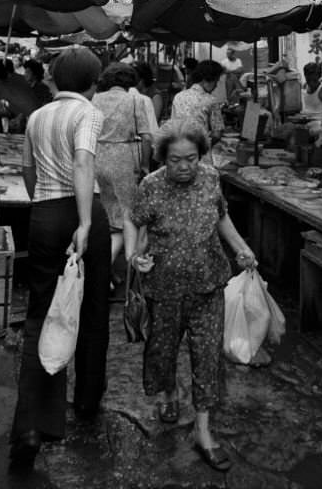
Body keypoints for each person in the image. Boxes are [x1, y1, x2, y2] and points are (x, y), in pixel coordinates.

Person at [128, 121, 256, 473]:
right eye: (175, 160)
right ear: (163, 159)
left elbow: (222, 219)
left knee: (206, 356)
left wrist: (242, 248)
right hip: (164, 288)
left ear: (201, 156)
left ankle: (203, 430)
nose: (185, 167)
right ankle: (168, 395)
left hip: (208, 284)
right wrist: (136, 256)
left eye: (192, 158)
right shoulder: (150, 186)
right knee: (163, 349)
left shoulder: (211, 178)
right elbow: (137, 227)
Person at [10, 47, 111, 469]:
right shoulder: (87, 113)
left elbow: (27, 168)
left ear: (55, 77)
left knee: (41, 315)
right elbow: (84, 162)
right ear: (92, 81)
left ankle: (32, 425)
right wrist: (85, 222)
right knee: (90, 311)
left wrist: (43, 207)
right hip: (81, 211)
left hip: (45, 215)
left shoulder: (37, 116)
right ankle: (86, 401)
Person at [92, 64, 153, 268]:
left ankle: (104, 270)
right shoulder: (134, 99)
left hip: (97, 156)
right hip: (121, 158)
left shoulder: (96, 98)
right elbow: (146, 137)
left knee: (109, 213)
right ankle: (127, 263)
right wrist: (145, 165)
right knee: (128, 214)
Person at [171, 60, 224, 151]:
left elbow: (172, 126)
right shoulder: (211, 100)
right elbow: (217, 134)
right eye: (216, 81)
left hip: (178, 150)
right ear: (207, 79)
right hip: (199, 153)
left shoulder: (178, 97)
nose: (216, 85)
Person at [301, 62, 322, 129]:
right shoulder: (304, 86)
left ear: (319, 77)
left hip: (318, 123)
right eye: (309, 80)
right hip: (305, 122)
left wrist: (321, 126)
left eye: (314, 80)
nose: (311, 83)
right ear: (305, 76)